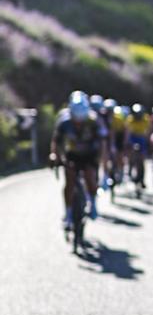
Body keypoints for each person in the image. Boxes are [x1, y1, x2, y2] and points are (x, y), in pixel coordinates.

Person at [49, 91, 104, 225]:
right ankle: (68, 214)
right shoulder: (64, 121)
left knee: (90, 178)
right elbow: (56, 141)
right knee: (70, 182)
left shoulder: (93, 121)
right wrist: (54, 155)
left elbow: (103, 142)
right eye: (76, 120)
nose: (78, 123)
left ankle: (93, 204)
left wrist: (101, 158)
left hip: (89, 154)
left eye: (81, 121)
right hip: (72, 154)